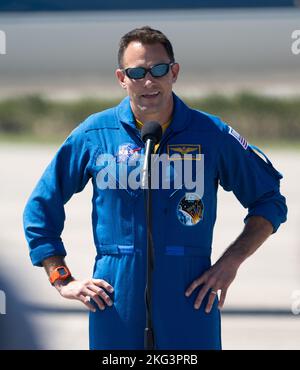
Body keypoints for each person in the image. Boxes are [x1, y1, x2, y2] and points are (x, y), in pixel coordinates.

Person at [23, 26, 287, 350]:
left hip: (191, 300)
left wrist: (230, 262)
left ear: (174, 72)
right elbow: (40, 207)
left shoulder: (211, 134)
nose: (149, 81)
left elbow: (269, 200)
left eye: (158, 69)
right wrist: (60, 277)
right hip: (115, 302)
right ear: (122, 78)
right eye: (137, 72)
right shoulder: (95, 134)